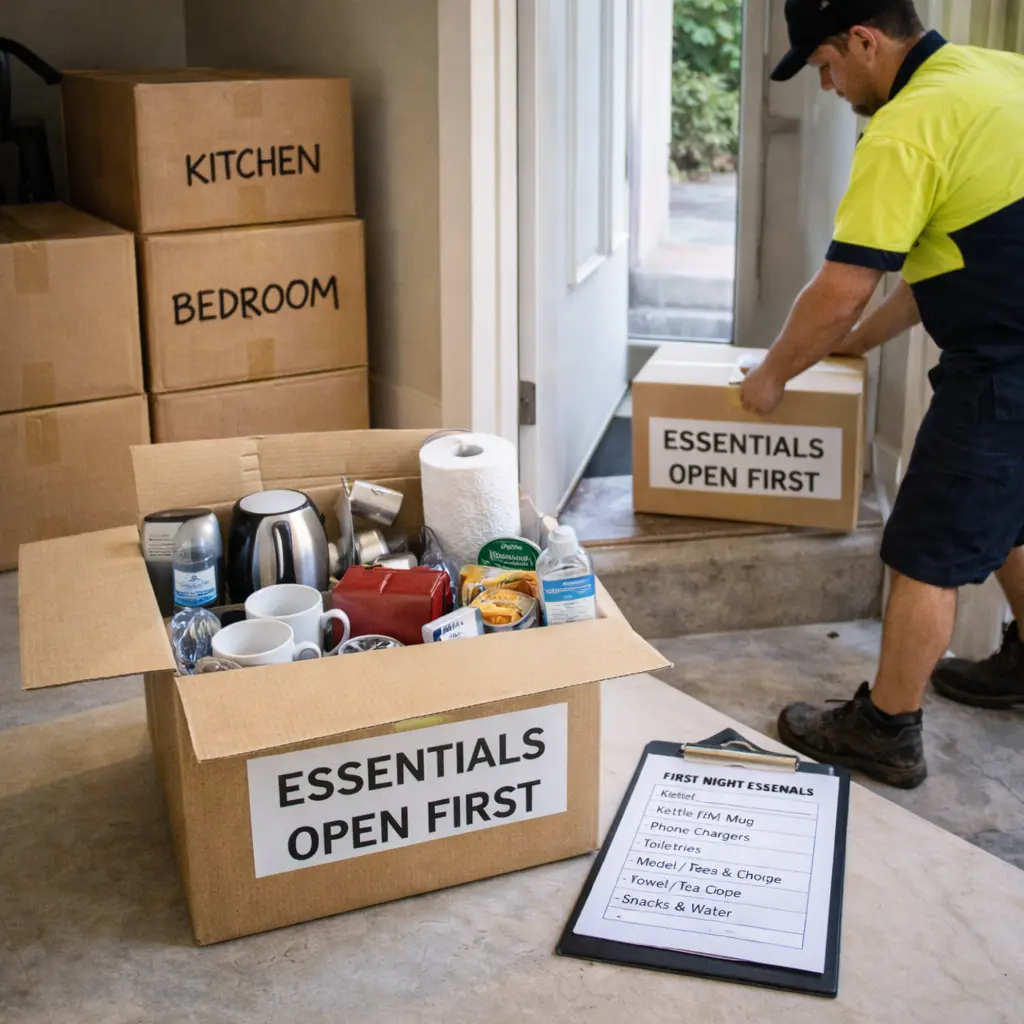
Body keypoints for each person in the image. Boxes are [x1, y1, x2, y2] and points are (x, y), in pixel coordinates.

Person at [740, 0, 1024, 787]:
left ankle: (887, 729)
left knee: (926, 550)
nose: (827, 86)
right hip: (1013, 348)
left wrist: (772, 376)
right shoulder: (997, 76)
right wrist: (858, 344)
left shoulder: (906, 127)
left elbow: (841, 290)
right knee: (1010, 514)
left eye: (826, 65)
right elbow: (956, 257)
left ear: (864, 41)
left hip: (1006, 367)